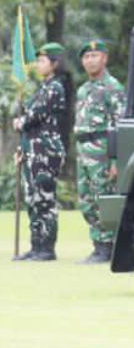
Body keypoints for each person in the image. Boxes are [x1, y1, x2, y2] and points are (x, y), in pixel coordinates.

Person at [12, 43, 72, 262]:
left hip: (46, 150)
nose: (38, 64)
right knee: (32, 197)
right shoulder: (43, 87)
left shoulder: (55, 87)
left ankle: (47, 247)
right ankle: (36, 245)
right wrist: (23, 148)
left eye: (43, 60)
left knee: (44, 198)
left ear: (54, 64)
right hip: (34, 149)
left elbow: (35, 116)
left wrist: (21, 122)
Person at [74, 40, 126, 263]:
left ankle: (108, 246)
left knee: (103, 197)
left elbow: (119, 125)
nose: (90, 60)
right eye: (86, 57)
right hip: (83, 149)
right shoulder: (83, 89)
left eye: (95, 55)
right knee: (86, 199)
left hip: (102, 149)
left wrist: (116, 160)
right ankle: (98, 244)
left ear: (104, 58)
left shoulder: (113, 87)